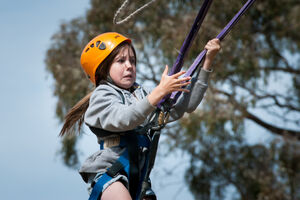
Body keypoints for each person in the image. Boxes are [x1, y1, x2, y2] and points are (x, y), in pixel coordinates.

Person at [60, 32, 221, 200]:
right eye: (121, 61)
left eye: (132, 61)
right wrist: (159, 92)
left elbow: (182, 107)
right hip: (111, 173)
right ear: (102, 69)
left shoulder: (141, 94)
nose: (129, 66)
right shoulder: (102, 95)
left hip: (139, 178)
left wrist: (207, 63)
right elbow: (124, 119)